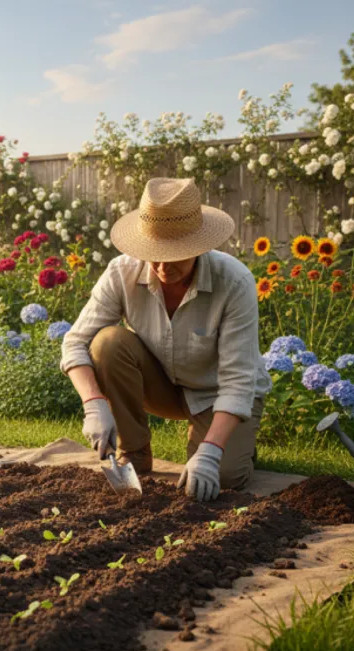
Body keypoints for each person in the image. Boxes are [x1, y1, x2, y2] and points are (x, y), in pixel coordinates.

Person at [60, 177, 270, 502]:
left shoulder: (234, 282)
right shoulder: (122, 272)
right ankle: (134, 451)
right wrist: (94, 404)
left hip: (217, 394)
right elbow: (75, 343)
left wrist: (212, 452)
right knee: (107, 343)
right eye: (153, 254)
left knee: (225, 478)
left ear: (199, 247)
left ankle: (229, 445)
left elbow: (239, 381)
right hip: (161, 384)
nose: (161, 267)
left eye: (174, 256)